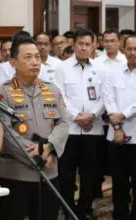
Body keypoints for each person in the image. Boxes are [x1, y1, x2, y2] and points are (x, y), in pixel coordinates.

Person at [0, 36, 69, 220]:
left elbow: (64, 123)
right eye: (27, 57)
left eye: (37, 57)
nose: (35, 62)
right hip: (16, 174)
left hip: (49, 173)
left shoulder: (52, 90)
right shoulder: (1, 92)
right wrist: (37, 157)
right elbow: (5, 133)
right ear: (13, 62)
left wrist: (49, 147)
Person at [55, 28, 106, 220]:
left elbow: (105, 97)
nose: (84, 48)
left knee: (89, 174)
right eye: (80, 44)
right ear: (73, 45)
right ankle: (68, 209)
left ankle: (85, 208)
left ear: (94, 46)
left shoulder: (100, 68)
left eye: (87, 44)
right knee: (66, 173)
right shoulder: (62, 67)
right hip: (69, 128)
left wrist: (92, 115)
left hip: (94, 128)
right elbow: (60, 95)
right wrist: (77, 116)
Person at [103, 34, 136, 220]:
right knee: (119, 183)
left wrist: (123, 115)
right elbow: (108, 99)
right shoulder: (112, 72)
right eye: (129, 49)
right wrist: (117, 127)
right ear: (123, 49)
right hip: (117, 137)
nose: (132, 53)